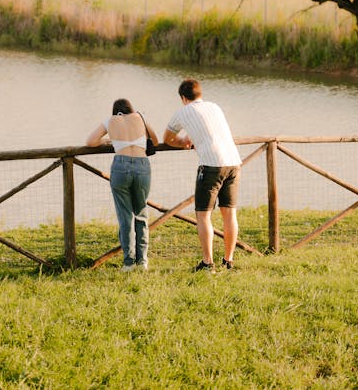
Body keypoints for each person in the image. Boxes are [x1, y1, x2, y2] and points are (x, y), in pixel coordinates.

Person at [164, 78, 241, 272]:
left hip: (211, 165)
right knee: (229, 214)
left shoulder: (182, 112)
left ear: (183, 98)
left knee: (203, 215)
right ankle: (228, 260)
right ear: (200, 94)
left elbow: (167, 139)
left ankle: (208, 262)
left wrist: (183, 141)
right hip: (233, 162)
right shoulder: (215, 107)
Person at [86, 98, 158, 271]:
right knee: (141, 212)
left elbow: (90, 141)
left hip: (120, 166)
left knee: (125, 216)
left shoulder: (110, 121)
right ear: (131, 109)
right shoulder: (141, 117)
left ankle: (128, 262)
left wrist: (106, 141)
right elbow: (155, 139)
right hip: (141, 164)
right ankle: (143, 262)